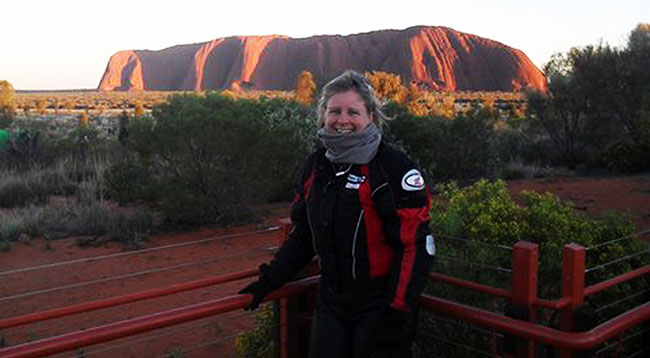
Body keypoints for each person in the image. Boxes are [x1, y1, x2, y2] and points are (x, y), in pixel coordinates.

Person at [239, 70, 434, 358]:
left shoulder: (392, 168)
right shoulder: (316, 166)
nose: (342, 120)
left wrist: (396, 312)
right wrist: (269, 281)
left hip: (380, 305)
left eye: (353, 112)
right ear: (323, 114)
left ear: (370, 115)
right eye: (335, 111)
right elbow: (304, 235)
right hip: (331, 301)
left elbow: (416, 247)